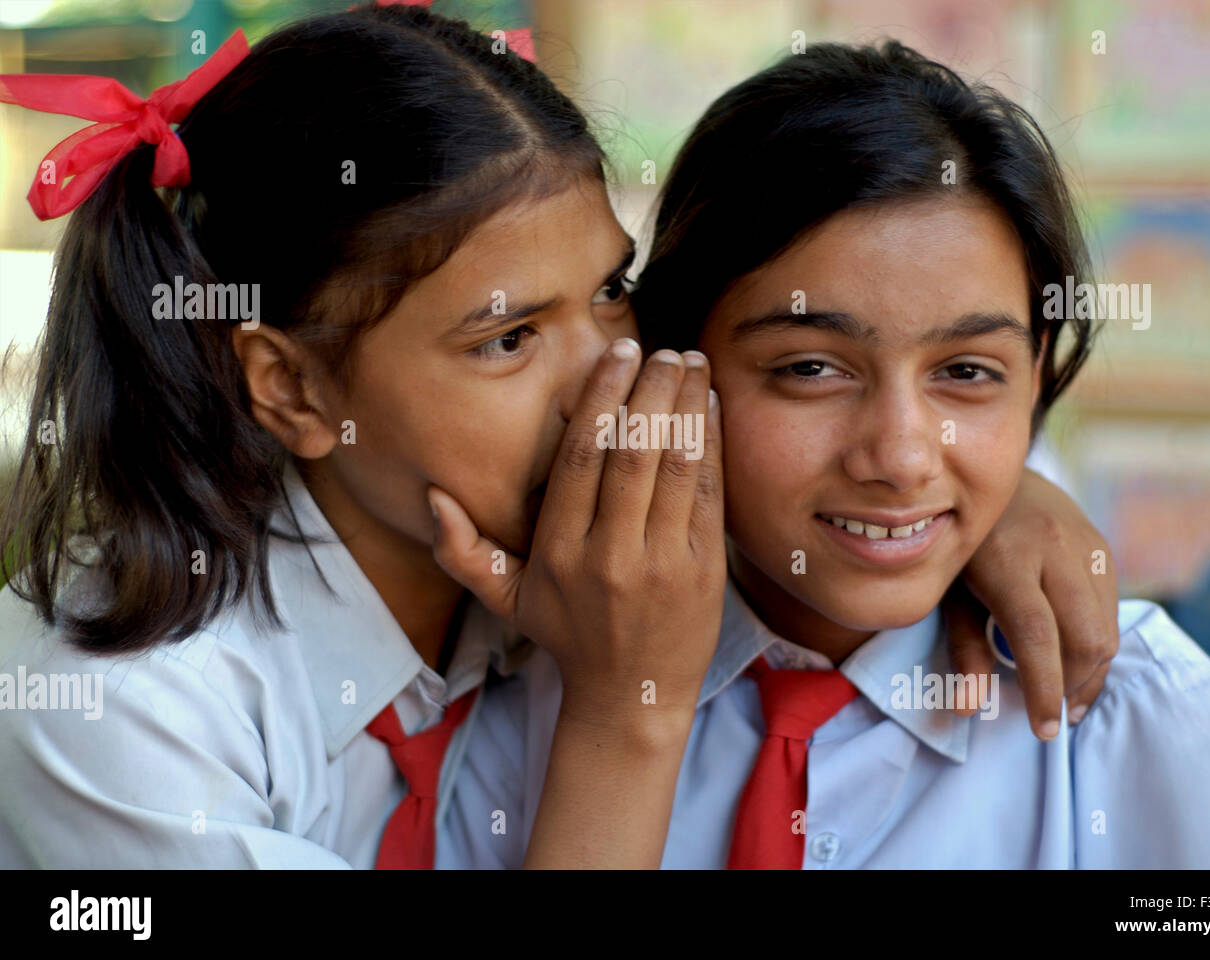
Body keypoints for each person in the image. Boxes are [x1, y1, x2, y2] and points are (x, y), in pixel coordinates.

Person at [0, 5, 1119, 868]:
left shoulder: (551, 542)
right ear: (291, 387)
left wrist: (1004, 497)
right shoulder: (118, 711)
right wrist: (625, 714)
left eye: (611, 292)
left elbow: (873, 445)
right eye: (507, 340)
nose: (610, 373)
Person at [437, 40, 1210, 869]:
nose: (903, 458)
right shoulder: (518, 689)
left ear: (1036, 376)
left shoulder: (1142, 718)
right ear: (672, 360)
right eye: (810, 369)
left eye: (965, 371)